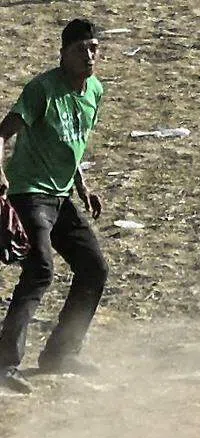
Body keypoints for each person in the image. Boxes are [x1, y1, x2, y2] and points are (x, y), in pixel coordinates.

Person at [0, 19, 108, 395]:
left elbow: (71, 144)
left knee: (94, 268)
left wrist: (83, 186)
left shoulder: (94, 91)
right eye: (81, 49)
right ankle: (5, 364)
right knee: (41, 270)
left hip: (60, 196)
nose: (89, 55)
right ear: (63, 54)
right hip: (28, 193)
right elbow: (2, 133)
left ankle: (61, 353)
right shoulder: (42, 90)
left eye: (94, 48)